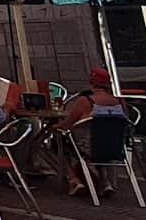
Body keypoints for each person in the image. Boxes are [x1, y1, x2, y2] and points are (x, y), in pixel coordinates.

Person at [55, 68, 127, 196]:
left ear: (91, 82)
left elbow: (66, 125)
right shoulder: (120, 102)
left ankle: (74, 180)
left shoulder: (85, 101)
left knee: (58, 141)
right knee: (102, 137)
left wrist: (54, 127)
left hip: (90, 147)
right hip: (116, 148)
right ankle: (105, 182)